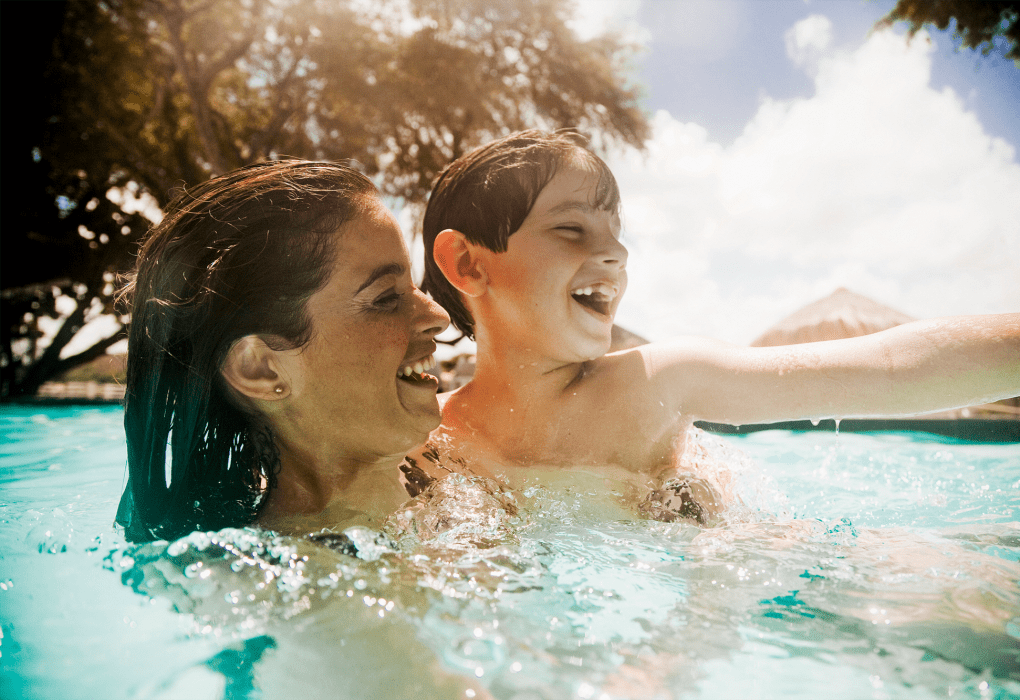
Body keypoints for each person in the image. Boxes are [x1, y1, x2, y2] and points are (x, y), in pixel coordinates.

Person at [409, 129, 1020, 522]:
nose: (616, 255)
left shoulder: (658, 383)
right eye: (572, 229)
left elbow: (885, 369)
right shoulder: (426, 443)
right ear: (467, 263)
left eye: (615, 235)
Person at [116, 160, 450, 542]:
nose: (437, 315)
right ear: (262, 369)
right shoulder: (288, 588)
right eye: (386, 297)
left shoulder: (453, 473)